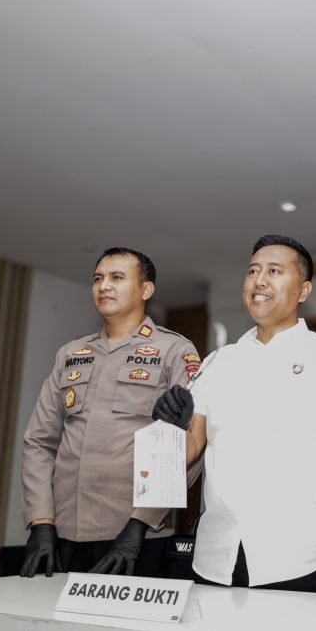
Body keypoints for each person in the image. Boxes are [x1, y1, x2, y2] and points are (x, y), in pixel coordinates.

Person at [151, 234, 316, 593]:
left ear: (303, 290)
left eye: (274, 271)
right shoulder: (218, 362)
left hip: (302, 558)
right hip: (216, 557)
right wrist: (169, 428)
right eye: (253, 271)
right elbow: (190, 451)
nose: (259, 280)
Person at [19, 247, 201, 578]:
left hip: (136, 537)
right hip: (65, 534)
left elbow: (189, 447)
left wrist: (142, 522)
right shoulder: (71, 354)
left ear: (146, 289)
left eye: (117, 277)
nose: (104, 285)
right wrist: (41, 521)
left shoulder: (175, 351)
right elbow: (39, 442)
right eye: (98, 278)